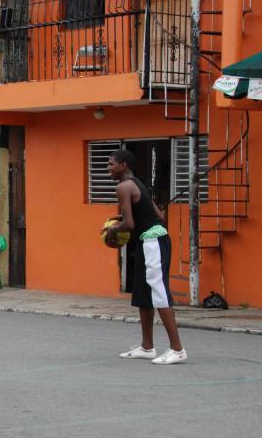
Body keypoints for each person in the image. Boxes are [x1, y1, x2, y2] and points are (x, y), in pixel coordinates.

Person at [104, 149, 186, 365]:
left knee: (159, 293)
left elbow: (129, 225)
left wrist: (112, 231)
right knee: (143, 293)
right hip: (149, 240)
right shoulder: (137, 184)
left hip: (152, 242)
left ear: (123, 165)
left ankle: (177, 349)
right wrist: (121, 217)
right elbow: (156, 215)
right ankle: (147, 347)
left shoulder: (122, 187)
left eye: (111, 164)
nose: (108, 168)